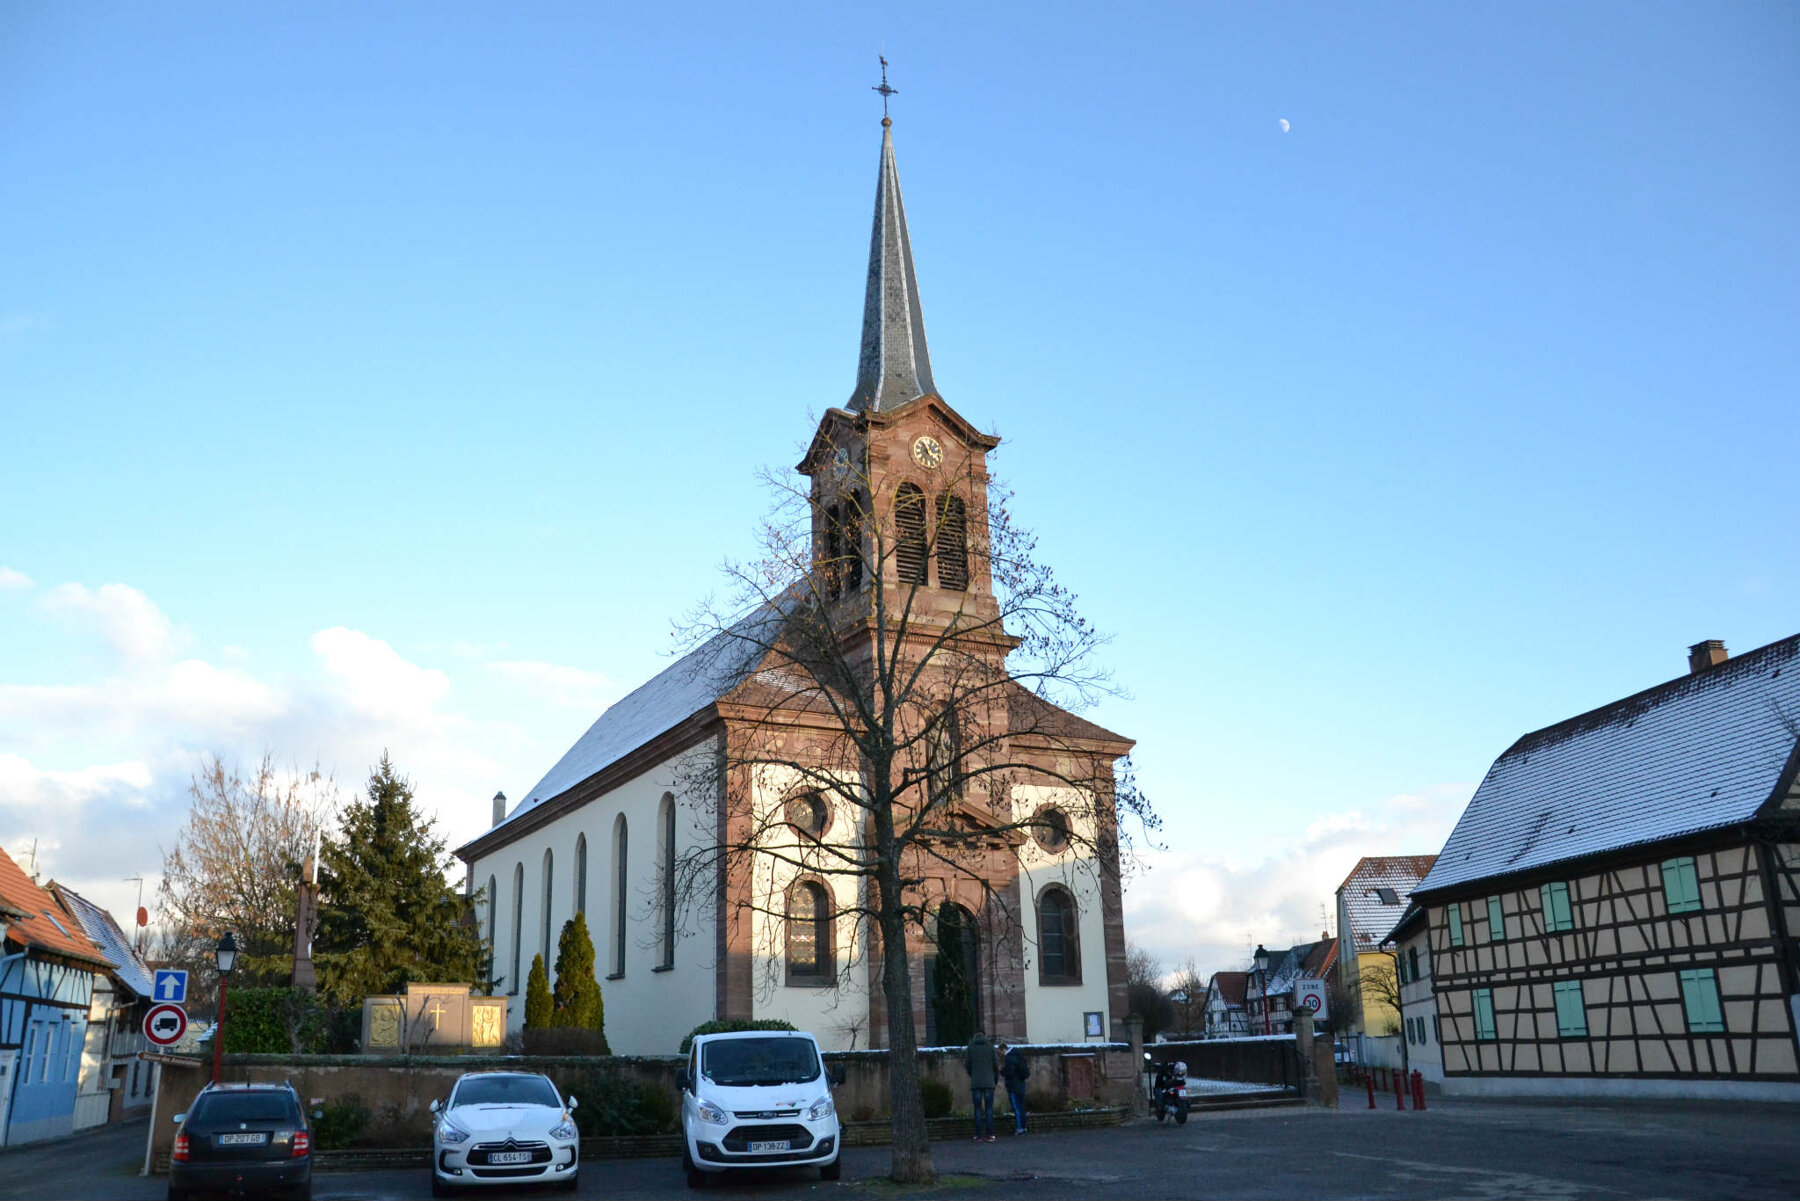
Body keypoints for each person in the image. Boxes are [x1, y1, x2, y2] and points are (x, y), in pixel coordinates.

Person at [964, 1030, 999, 1142]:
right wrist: (994, 1080)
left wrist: (973, 1074)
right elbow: (996, 1065)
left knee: (977, 1109)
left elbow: (967, 1065)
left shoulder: (971, 1048)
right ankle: (990, 1134)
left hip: (976, 1083)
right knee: (989, 1109)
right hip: (989, 1082)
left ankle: (978, 1135)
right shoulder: (990, 1047)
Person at [999, 1040, 1031, 1135]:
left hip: (1013, 1086)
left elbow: (1010, 1073)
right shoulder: (1018, 1055)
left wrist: (1002, 1071)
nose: (1000, 1054)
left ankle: (1019, 1128)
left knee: (1016, 1107)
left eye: (1000, 1052)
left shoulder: (1009, 1059)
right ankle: (1024, 1127)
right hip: (1021, 1085)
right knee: (1021, 1107)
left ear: (1003, 1049)